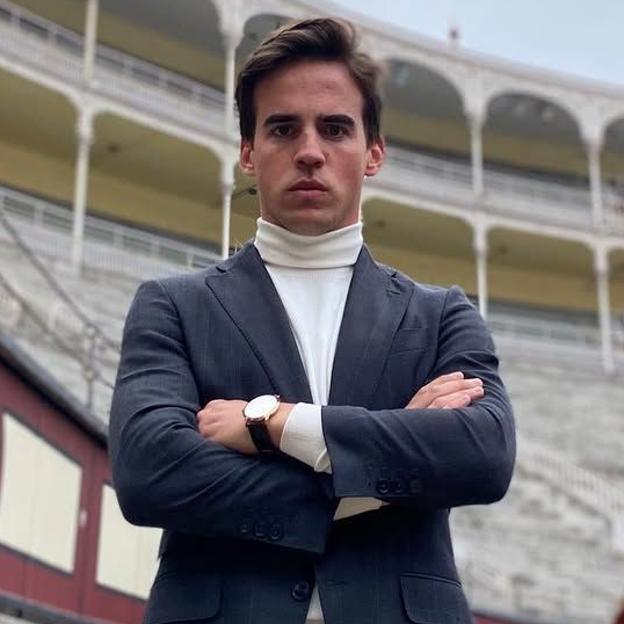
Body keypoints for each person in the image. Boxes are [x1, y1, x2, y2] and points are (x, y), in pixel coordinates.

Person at [109, 17, 515, 624]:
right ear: (249, 153)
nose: (308, 151)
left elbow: (483, 455)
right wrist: (374, 477)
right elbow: (150, 473)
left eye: (334, 128)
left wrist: (275, 422)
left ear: (372, 153)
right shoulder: (173, 304)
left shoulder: (441, 314)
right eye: (281, 128)